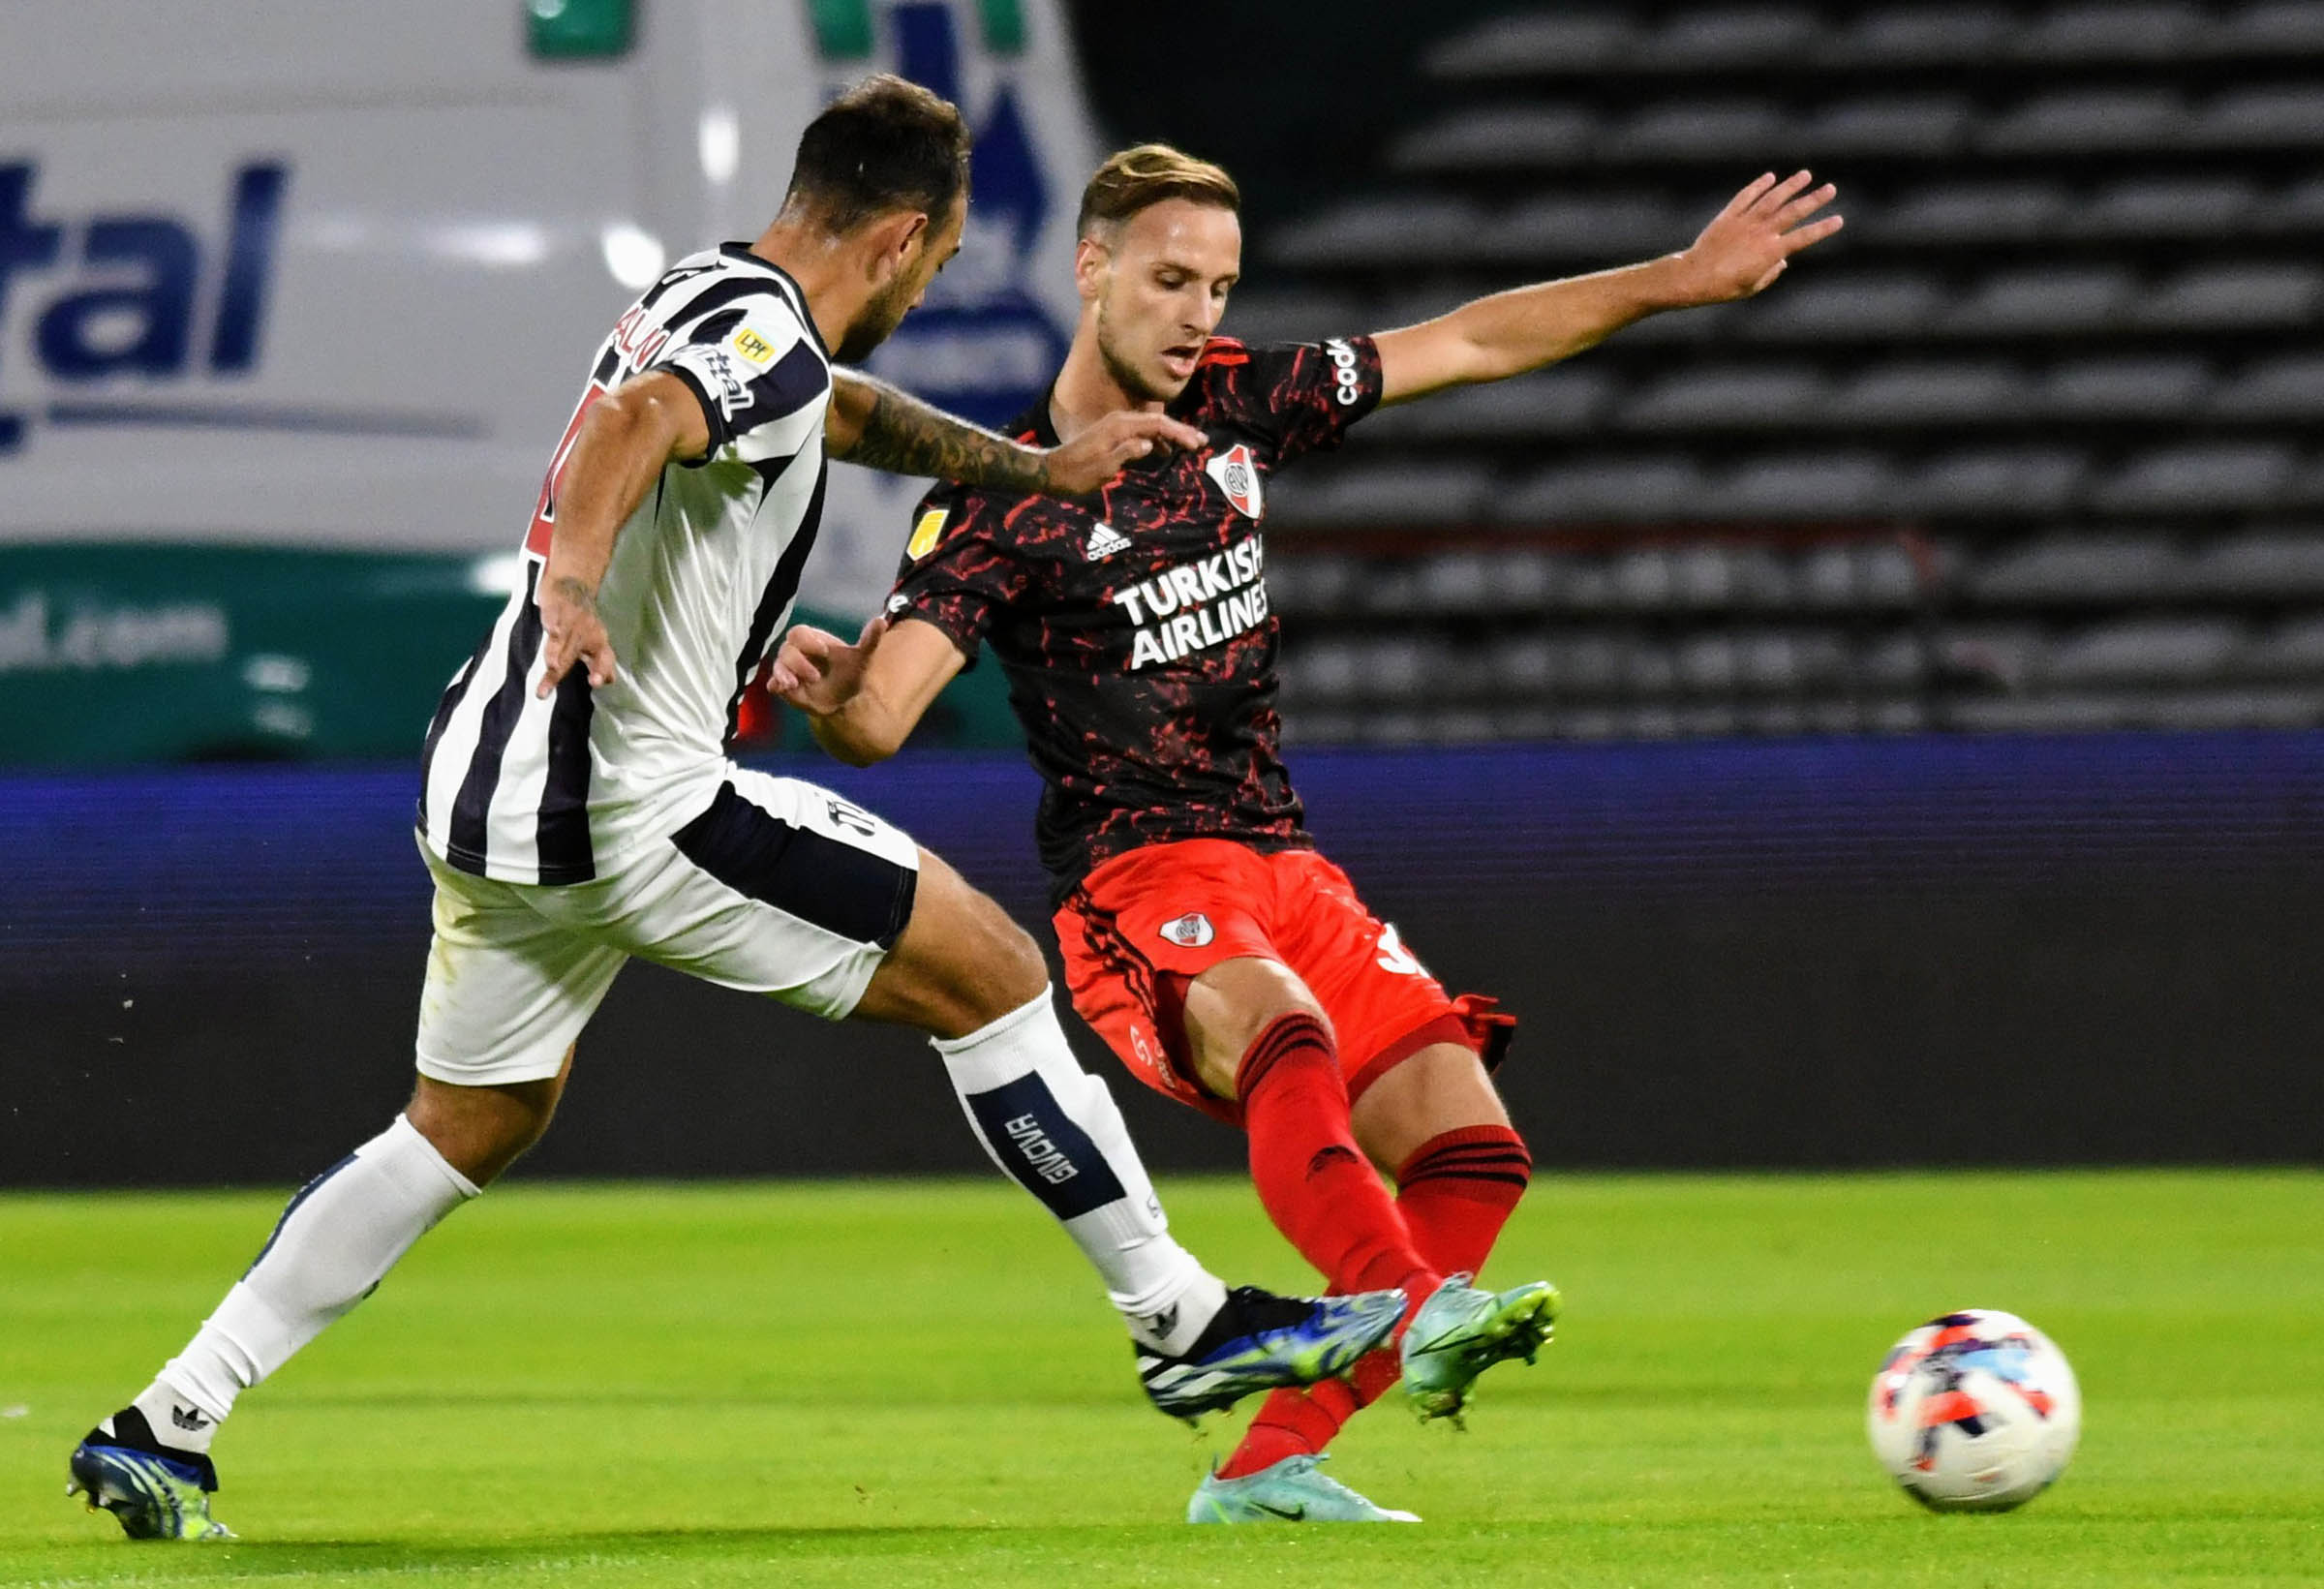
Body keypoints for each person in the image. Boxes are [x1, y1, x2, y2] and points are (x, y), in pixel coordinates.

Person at [66, 83, 1410, 1545]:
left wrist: (1023, 470)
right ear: (902, 238)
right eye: (943, 260)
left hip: (484, 784)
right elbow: (640, 431)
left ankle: (167, 1420)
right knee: (996, 976)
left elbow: (823, 408)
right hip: (633, 807)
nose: (938, 280)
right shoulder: (755, 345)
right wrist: (579, 584)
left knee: (467, 1119)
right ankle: (1181, 1315)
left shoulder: (708, 290)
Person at [762, 143, 1845, 1524]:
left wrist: (1680, 280)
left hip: (1286, 860)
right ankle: (1410, 1304)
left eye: (1218, 283)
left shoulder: (1242, 403)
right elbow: (884, 722)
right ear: (1087, 270)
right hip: (1137, 880)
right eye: (1168, 279)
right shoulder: (1001, 496)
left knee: (1472, 1147)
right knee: (1289, 1036)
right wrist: (838, 688)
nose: (1199, 311)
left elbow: (1465, 339)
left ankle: (1268, 1468)